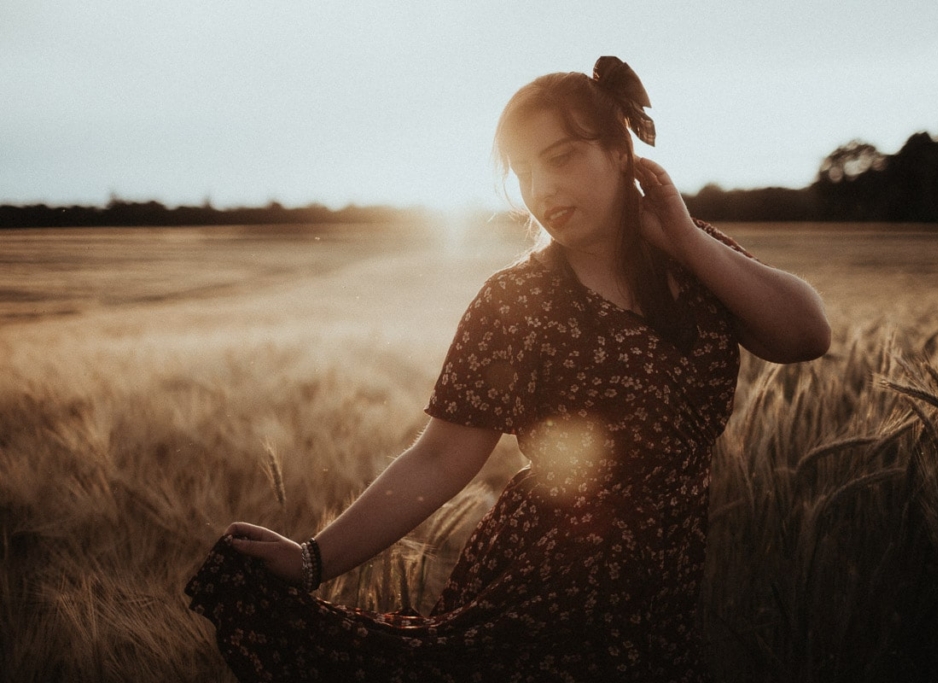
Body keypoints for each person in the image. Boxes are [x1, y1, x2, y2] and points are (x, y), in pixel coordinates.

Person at [186, 56, 831, 682]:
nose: (541, 188)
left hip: (659, 615)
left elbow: (806, 333)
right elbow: (440, 459)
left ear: (620, 153)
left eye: (561, 157)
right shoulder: (516, 302)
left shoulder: (694, 263)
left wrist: (687, 241)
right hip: (541, 608)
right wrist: (312, 561)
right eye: (522, 171)